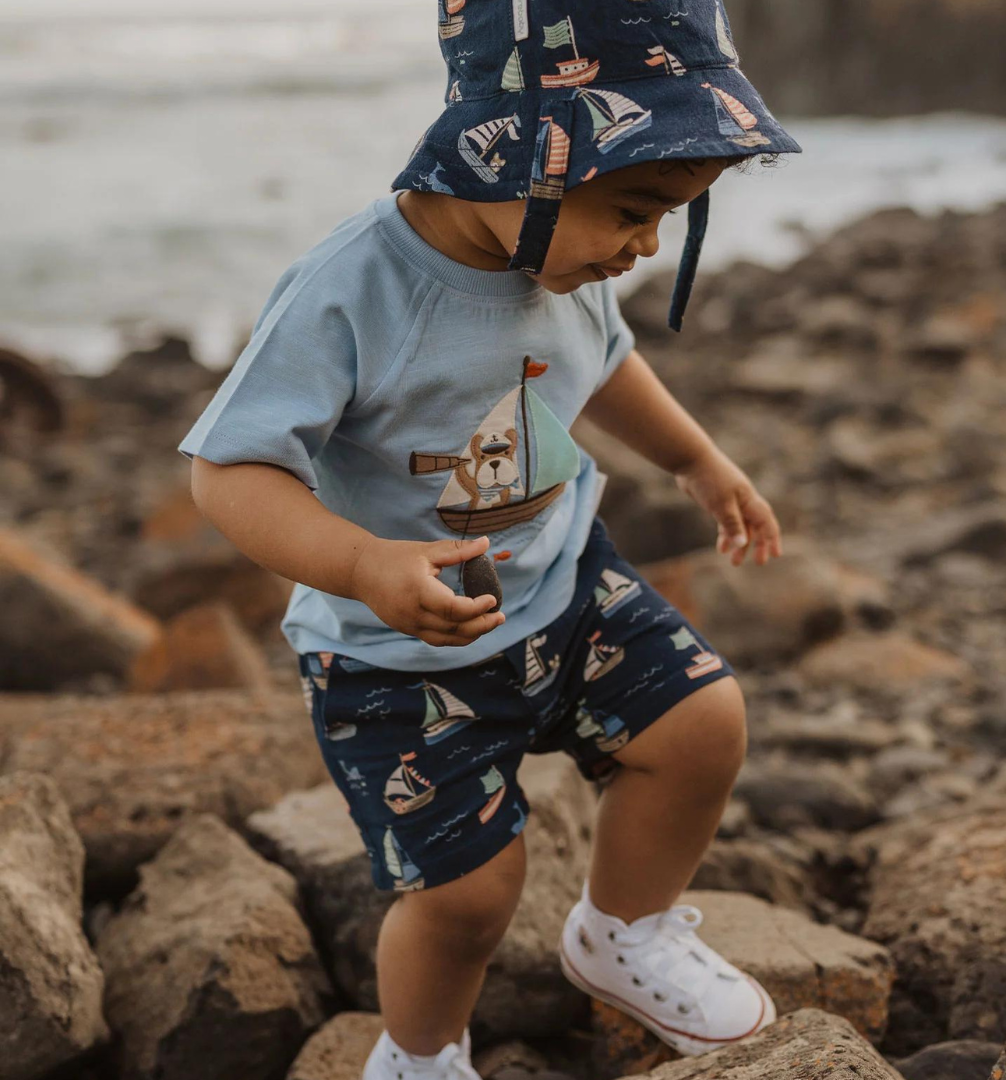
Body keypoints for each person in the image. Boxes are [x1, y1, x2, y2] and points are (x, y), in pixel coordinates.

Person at [179, 1, 802, 1075]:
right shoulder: (353, 291)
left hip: (562, 585)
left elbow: (601, 362)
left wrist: (696, 461)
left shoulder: (559, 260)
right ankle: (419, 1057)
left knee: (702, 729)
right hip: (394, 657)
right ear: (513, 156)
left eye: (671, 217)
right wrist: (362, 564)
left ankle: (625, 932)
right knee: (468, 899)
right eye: (636, 209)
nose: (646, 246)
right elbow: (226, 467)